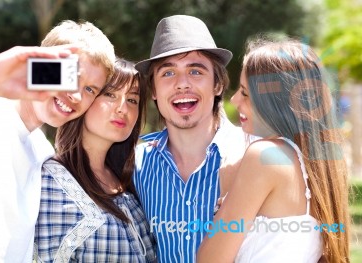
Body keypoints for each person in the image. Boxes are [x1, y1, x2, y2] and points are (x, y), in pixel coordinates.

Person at [0, 20, 115, 262]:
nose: (75, 95)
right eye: (70, 76)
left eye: (90, 90)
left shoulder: (41, 150)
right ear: (43, 66)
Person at [197, 38, 350, 262]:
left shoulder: (264, 156)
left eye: (246, 93)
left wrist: (227, 183)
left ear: (277, 101)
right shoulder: (319, 168)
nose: (235, 99)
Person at [133, 15, 246, 262]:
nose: (182, 84)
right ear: (153, 90)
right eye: (168, 73)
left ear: (217, 85)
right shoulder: (135, 167)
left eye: (195, 71)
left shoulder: (251, 154)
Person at [34, 58, 157, 262]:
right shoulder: (52, 182)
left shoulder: (134, 179)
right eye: (110, 95)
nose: (122, 108)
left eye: (132, 100)